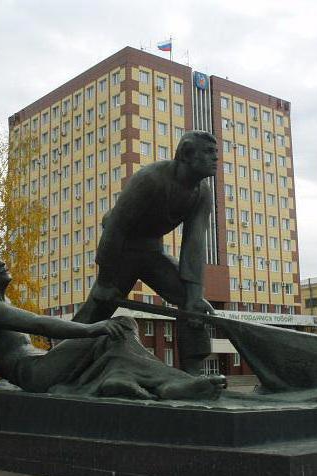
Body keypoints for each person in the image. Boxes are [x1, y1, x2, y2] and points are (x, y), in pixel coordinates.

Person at [0, 248, 225, 400]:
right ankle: (171, 384)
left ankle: (117, 380)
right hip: (34, 375)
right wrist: (91, 329)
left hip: (42, 365)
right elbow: (39, 323)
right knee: (120, 325)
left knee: (117, 337)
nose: (1, 263)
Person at [73, 131, 219, 374]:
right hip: (122, 251)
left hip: (152, 252)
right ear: (186, 153)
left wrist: (195, 293)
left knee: (192, 304)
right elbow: (115, 228)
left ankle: (194, 374)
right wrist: (107, 280)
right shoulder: (150, 179)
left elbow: (194, 243)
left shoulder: (202, 193)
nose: (216, 159)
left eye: (216, 153)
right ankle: (61, 357)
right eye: (209, 152)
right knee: (97, 308)